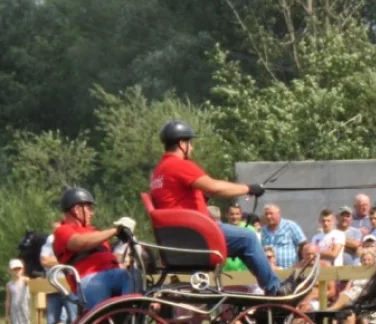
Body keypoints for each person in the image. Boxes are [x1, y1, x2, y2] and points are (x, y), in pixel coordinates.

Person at [149, 120, 287, 296]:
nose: (192, 148)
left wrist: (201, 197)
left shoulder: (159, 171)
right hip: (197, 238)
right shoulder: (179, 165)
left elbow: (176, 201)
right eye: (190, 143)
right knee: (248, 238)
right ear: (181, 143)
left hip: (179, 239)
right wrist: (249, 189)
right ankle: (275, 288)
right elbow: (215, 188)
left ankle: (270, 286)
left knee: (243, 238)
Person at [52, 188, 135, 310]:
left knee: (134, 275)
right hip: (89, 278)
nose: (92, 213)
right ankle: (108, 321)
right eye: (89, 208)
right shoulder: (62, 230)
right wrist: (115, 231)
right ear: (77, 209)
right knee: (98, 285)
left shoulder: (95, 231)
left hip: (113, 273)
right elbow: (79, 243)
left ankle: (130, 315)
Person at [5, 259, 31, 324]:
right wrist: (7, 315)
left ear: (22, 269)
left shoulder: (25, 280)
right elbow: (8, 300)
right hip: (15, 310)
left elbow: (30, 286)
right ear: (10, 271)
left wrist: (27, 281)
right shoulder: (9, 285)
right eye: (14, 269)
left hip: (26, 308)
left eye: (18, 269)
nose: (17, 271)